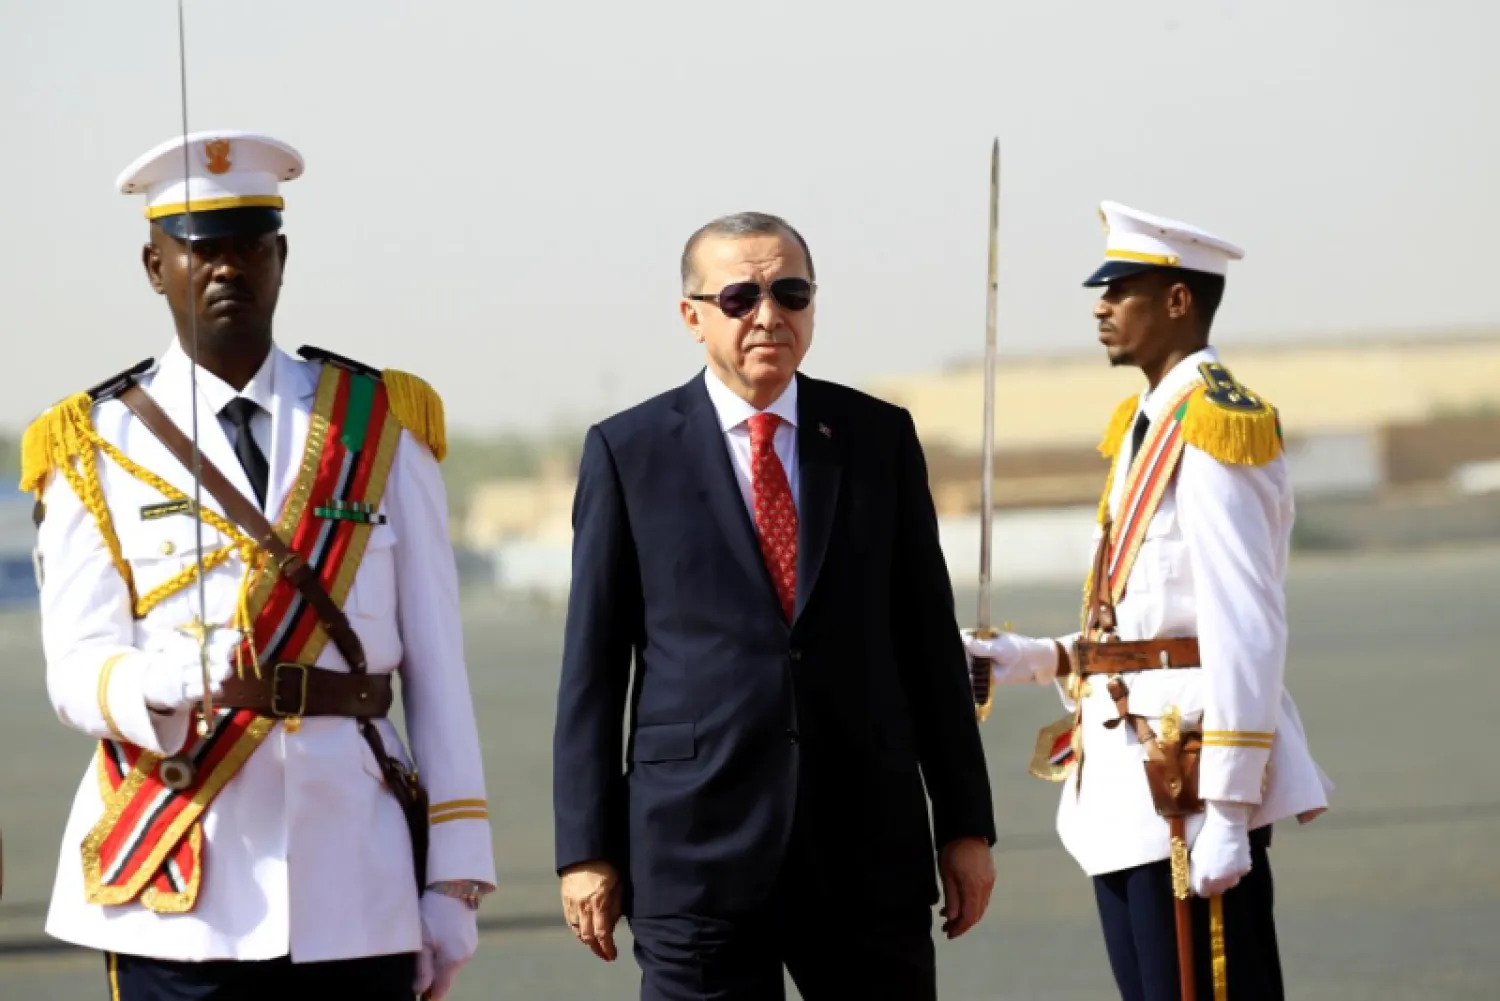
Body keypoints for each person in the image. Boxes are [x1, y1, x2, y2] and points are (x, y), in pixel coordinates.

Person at [21, 130, 495, 1001]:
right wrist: (161, 679)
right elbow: (75, 666)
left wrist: (454, 878)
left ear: (281, 259)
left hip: (357, 878)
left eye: (249, 246)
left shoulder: (377, 422)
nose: (227, 268)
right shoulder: (91, 442)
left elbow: (439, 670)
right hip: (178, 870)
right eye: (201, 249)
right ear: (154, 266)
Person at [551, 211, 998, 1000]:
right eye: (739, 296)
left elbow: (928, 647)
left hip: (865, 848)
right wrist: (586, 850)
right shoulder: (630, 451)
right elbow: (592, 668)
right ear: (692, 316)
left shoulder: (876, 439)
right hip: (697, 853)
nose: (768, 315)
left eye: (790, 292)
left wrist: (965, 825)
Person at [963, 201, 1333, 1001]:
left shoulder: (1211, 424)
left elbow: (1244, 625)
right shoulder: (1143, 423)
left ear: (1177, 301)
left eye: (1119, 288)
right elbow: (1143, 619)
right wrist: (1037, 658)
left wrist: (1231, 807)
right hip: (1131, 785)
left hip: (1188, 787)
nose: (1100, 305)